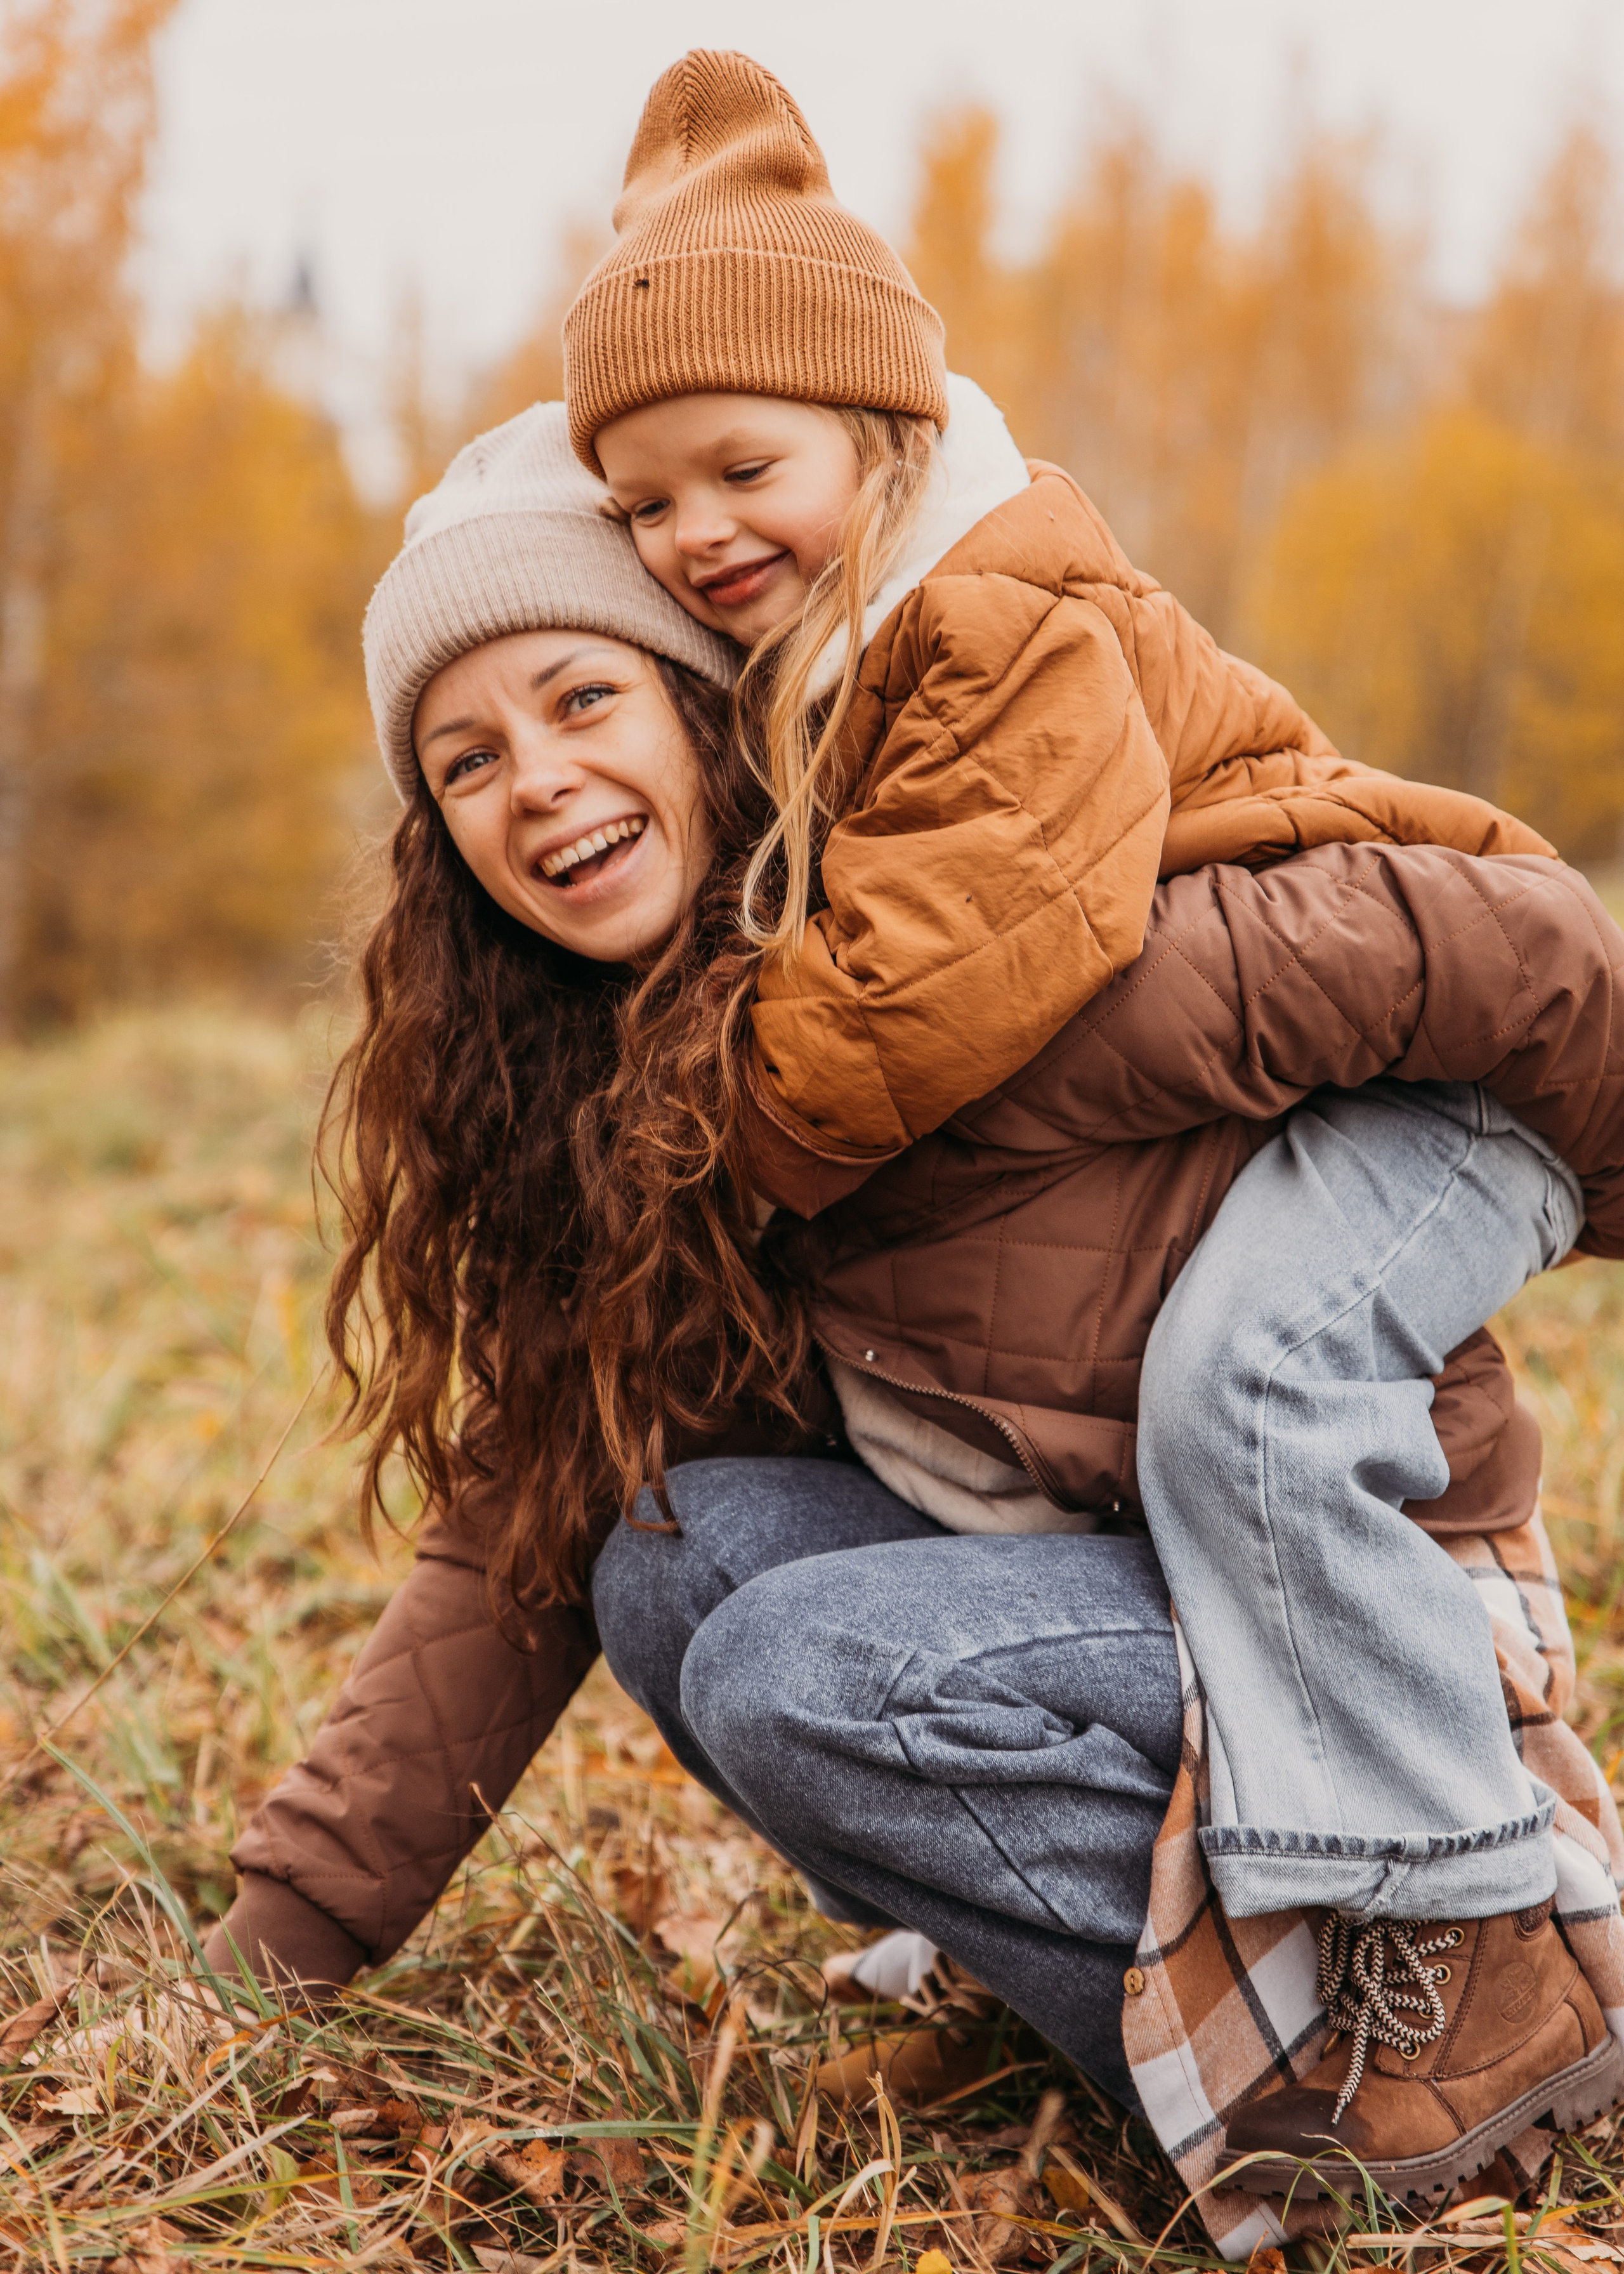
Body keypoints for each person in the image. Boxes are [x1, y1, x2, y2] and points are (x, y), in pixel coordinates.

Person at [202, 405, 1624, 2233]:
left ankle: (1443, 2047)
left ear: (708, 714)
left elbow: (1495, 943)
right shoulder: (622, 1084)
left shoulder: (975, 958)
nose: (531, 780)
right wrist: (279, 1944)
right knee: (664, 1553)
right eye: (463, 760)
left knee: (805, 1670)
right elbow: (515, 1530)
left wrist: (1577, 1191)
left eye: (580, 702)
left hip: (1361, 1615)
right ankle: (1140, 2022)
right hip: (1106, 1596)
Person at [559, 48, 1624, 2182]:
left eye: (738, 466)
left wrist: (737, 1106)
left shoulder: (996, 607)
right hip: (1306, 1119)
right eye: (642, 501)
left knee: (1252, 1380)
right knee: (690, 1563)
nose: (692, 534)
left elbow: (970, 964)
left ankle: (1498, 1946)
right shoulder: (838, 662)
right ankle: (1130, 1990)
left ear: (887, 433)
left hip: (1413, 1092)